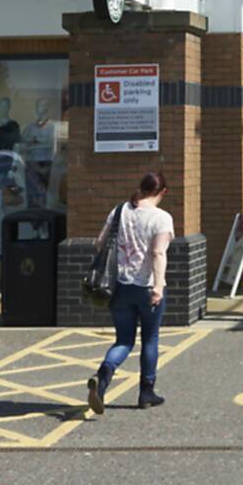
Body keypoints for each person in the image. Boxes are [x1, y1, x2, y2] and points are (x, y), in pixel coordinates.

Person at [86, 172, 173, 415]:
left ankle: (102, 378)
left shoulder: (119, 211)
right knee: (150, 338)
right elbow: (158, 253)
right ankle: (146, 392)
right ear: (162, 192)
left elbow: (99, 244)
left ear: (141, 188)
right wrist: (157, 286)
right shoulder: (161, 218)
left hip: (119, 287)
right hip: (146, 286)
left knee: (123, 340)